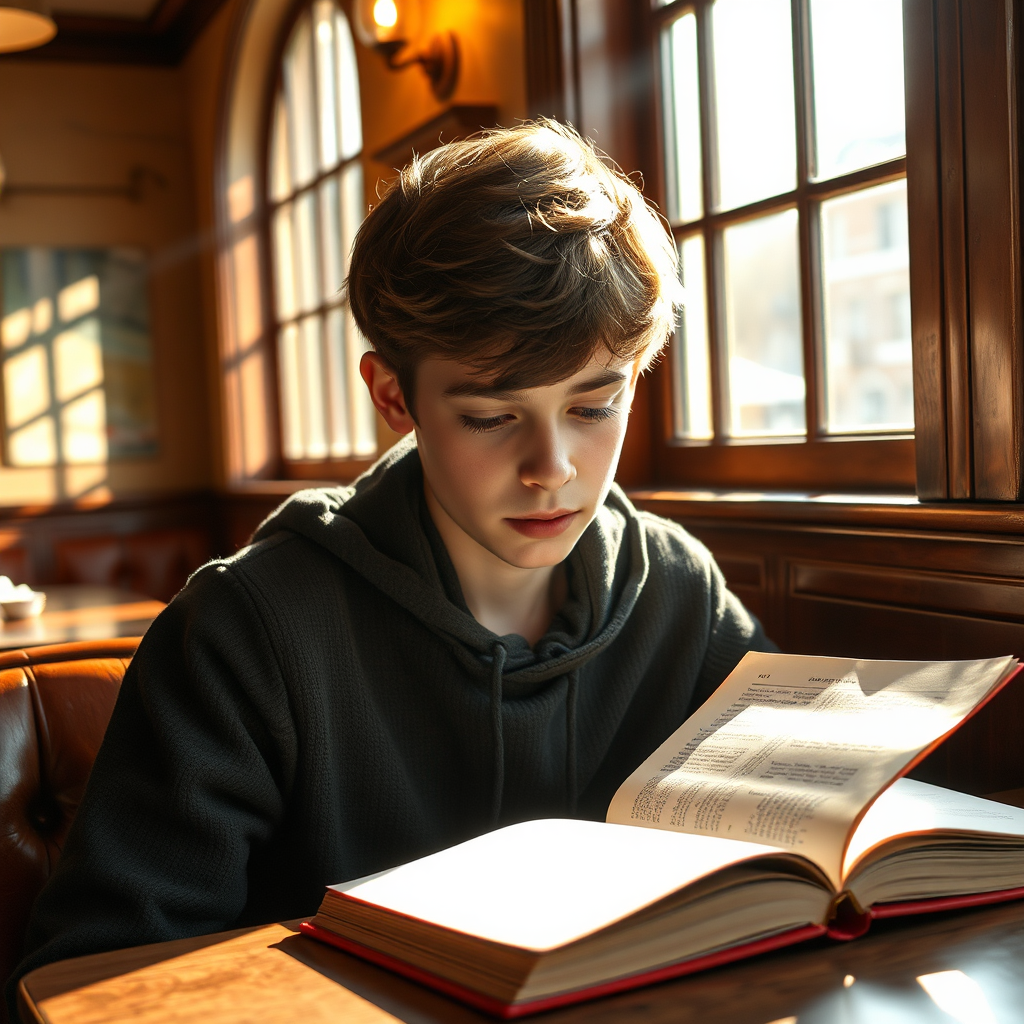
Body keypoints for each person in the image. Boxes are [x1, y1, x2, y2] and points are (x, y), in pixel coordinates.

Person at [6, 119, 770, 1008]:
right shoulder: (244, 634)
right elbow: (91, 983)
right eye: (491, 416)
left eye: (596, 405)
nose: (552, 467)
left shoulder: (680, 590)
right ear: (393, 396)